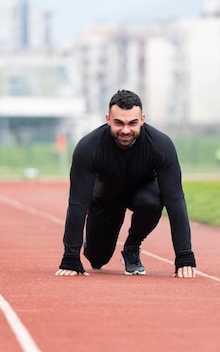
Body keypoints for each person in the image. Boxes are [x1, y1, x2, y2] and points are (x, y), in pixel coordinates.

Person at [56, 90, 197, 278]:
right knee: (97, 260)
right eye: (118, 123)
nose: (125, 130)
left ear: (142, 119)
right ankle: (91, 243)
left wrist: (184, 255)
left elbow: (175, 199)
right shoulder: (88, 147)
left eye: (132, 123)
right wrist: (71, 257)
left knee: (154, 200)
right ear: (108, 119)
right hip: (106, 197)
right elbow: (77, 203)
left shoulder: (161, 145)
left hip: (143, 193)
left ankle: (131, 247)